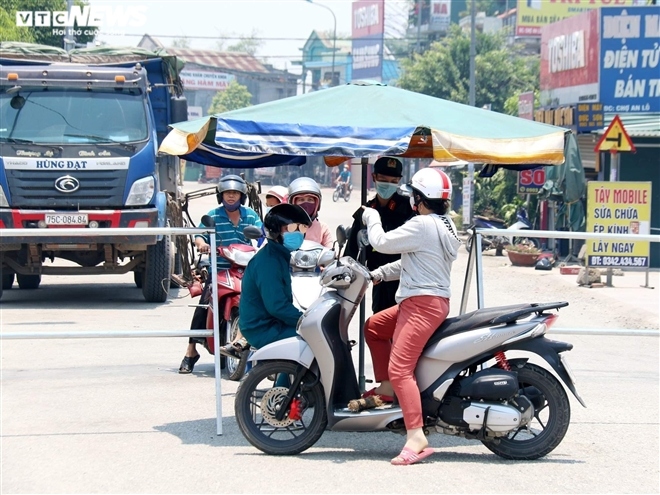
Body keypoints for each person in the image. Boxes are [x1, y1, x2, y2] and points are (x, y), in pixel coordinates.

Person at [360, 168, 461, 465]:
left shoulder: (423, 224)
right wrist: (377, 274)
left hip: (421, 305)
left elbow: (381, 242)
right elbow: (412, 262)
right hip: (423, 301)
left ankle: (415, 435)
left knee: (401, 367)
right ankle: (388, 390)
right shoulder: (444, 225)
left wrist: (371, 216)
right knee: (374, 327)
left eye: (413, 197)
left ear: (418, 198)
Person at [178, 174, 262, 374]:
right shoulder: (213, 216)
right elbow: (199, 234)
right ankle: (191, 351)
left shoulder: (250, 215)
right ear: (221, 195)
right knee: (204, 304)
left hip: (246, 269)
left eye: (235, 193)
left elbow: (261, 233)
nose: (231, 197)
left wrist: (261, 242)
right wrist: (202, 244)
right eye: (227, 193)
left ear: (241, 196)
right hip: (220, 268)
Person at [238, 203, 312, 350]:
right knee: (314, 339)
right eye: (291, 228)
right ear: (276, 231)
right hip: (262, 328)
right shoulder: (268, 262)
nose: (298, 233)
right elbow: (277, 306)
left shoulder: (278, 255)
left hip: (273, 323)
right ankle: (289, 373)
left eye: (301, 228)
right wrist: (305, 320)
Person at [345, 156, 413, 313]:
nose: (387, 185)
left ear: (399, 181)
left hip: (405, 280)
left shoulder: (409, 209)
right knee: (379, 325)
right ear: (374, 177)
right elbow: (352, 252)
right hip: (378, 281)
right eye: (383, 179)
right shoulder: (365, 212)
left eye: (393, 181)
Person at [288, 177, 334, 248]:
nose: (306, 204)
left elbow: (330, 251)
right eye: (301, 200)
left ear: (317, 204)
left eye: (310, 200)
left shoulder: (323, 228)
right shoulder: (286, 227)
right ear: (293, 203)